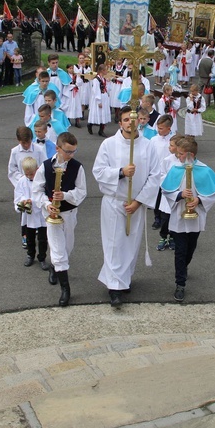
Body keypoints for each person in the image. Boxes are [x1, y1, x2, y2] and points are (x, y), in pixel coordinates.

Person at [92, 106, 162, 308]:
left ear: (138, 121)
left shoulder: (148, 146)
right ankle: (114, 287)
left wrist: (138, 202)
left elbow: (155, 176)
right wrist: (121, 172)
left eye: (133, 120)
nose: (129, 124)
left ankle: (124, 279)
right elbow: (98, 171)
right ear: (120, 122)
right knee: (115, 244)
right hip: (115, 202)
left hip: (136, 203)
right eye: (125, 120)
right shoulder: (108, 144)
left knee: (131, 244)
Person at [161, 137, 215, 302]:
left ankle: (184, 268)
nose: (178, 156)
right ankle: (180, 283)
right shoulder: (175, 169)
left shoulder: (204, 170)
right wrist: (179, 195)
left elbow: (214, 194)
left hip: (196, 217)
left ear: (190, 155)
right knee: (180, 251)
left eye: (181, 154)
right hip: (178, 218)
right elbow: (166, 191)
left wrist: (199, 200)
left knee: (190, 249)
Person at [32, 132, 87, 306]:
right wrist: (46, 204)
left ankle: (56, 268)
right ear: (58, 148)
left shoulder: (77, 167)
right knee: (58, 250)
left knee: (67, 247)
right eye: (68, 152)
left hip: (69, 214)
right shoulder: (46, 166)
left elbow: (82, 191)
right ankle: (65, 289)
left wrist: (65, 195)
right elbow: (36, 190)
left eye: (74, 152)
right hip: (52, 215)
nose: (71, 155)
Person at [13, 157, 49, 269]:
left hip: (41, 213)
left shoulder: (43, 180)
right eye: (27, 174)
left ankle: (42, 257)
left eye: (31, 174)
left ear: (37, 169)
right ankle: (30, 255)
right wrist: (23, 201)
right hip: (29, 215)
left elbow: (46, 194)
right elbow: (18, 195)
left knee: (43, 238)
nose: (29, 177)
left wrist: (33, 200)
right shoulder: (22, 181)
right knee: (29, 237)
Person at [88, 64, 111, 136]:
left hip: (104, 97)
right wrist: (99, 101)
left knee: (103, 114)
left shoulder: (103, 79)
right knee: (98, 113)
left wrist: (109, 82)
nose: (107, 71)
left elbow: (107, 88)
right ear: (102, 71)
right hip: (99, 98)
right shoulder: (96, 80)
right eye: (106, 70)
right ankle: (90, 124)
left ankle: (101, 130)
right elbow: (96, 91)